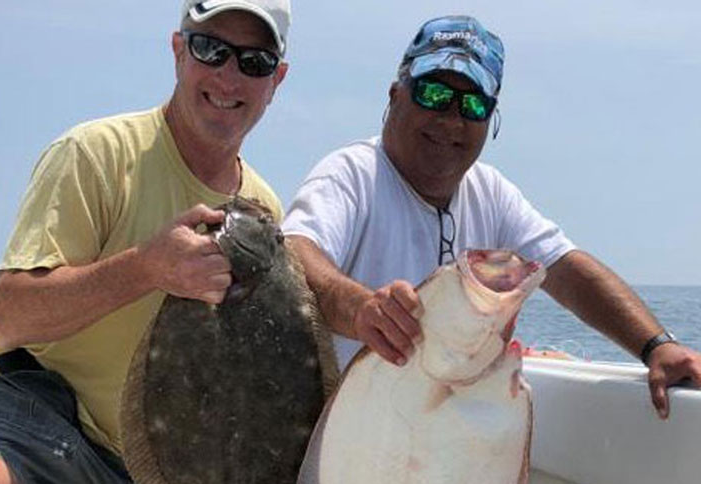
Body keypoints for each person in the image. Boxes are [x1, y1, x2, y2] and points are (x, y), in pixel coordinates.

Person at [0, 1, 311, 484]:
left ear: (277, 80)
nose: (228, 76)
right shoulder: (95, 154)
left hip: (158, 455)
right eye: (211, 49)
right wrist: (147, 267)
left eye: (255, 61)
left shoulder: (264, 208)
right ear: (177, 50)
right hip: (45, 406)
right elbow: (11, 318)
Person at [282, 15, 701, 418]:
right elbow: (297, 254)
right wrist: (362, 309)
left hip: (441, 441)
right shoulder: (352, 174)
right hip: (349, 439)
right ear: (395, 95)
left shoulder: (491, 192)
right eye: (433, 94)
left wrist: (656, 345)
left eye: (473, 105)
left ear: (491, 120)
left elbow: (565, 271)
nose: (450, 119)